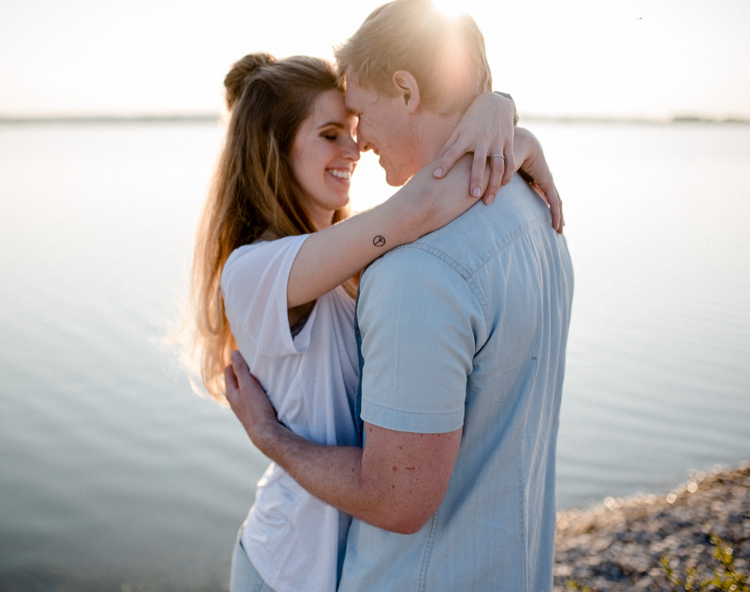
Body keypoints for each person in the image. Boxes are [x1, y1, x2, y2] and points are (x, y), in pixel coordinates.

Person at [222, 1, 574, 591]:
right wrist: (505, 128)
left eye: (355, 117)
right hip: (287, 567)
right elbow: (420, 207)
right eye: (332, 131)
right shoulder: (255, 272)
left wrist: (502, 117)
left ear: (406, 90)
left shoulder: (368, 257)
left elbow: (418, 211)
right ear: (275, 149)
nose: (355, 144)